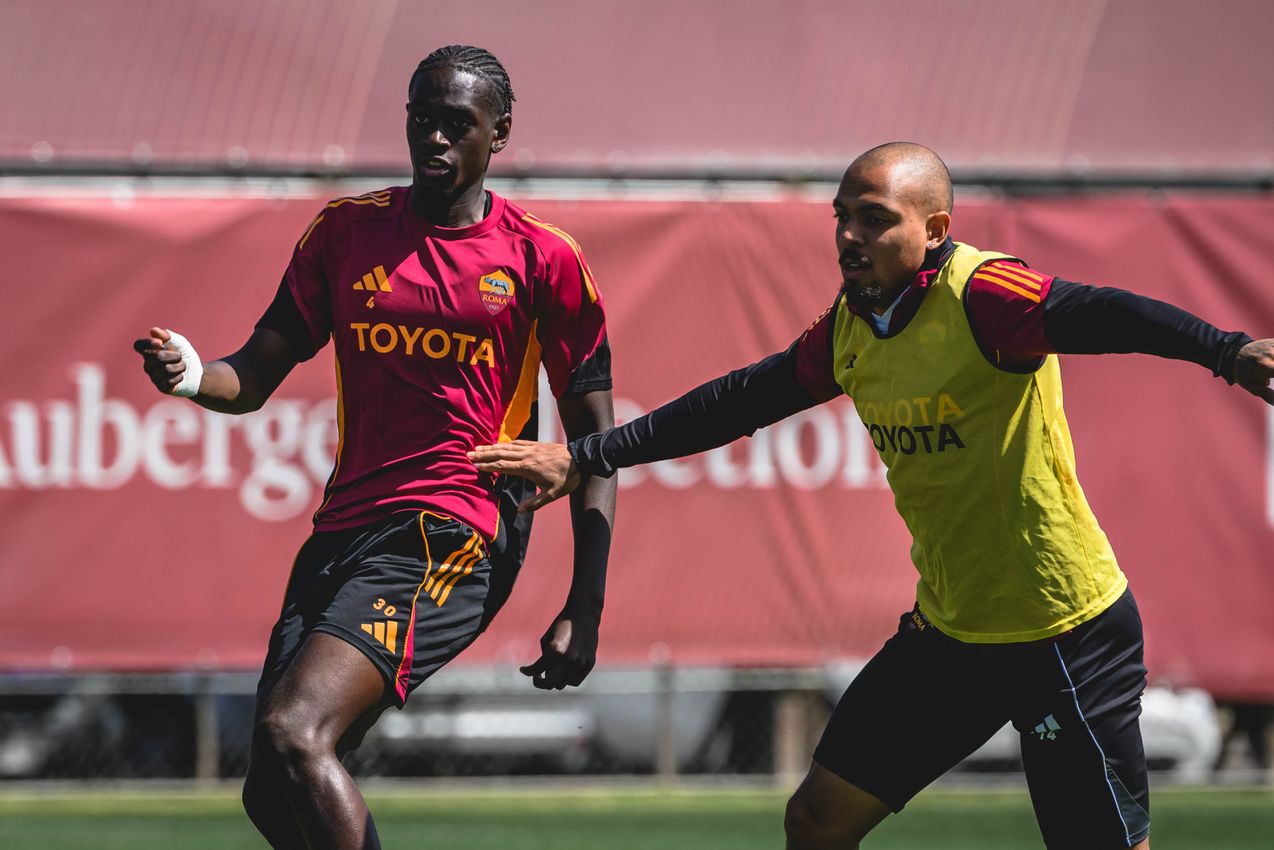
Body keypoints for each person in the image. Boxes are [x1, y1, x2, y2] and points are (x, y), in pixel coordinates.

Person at [470, 142, 1274, 850]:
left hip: (1063, 636)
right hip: (952, 640)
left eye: (876, 219)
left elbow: (1109, 313)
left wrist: (1226, 350)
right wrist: (586, 456)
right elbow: (740, 401)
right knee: (817, 822)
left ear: (935, 229)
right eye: (841, 216)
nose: (850, 236)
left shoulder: (985, 296)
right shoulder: (854, 327)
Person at [134, 45, 616, 850]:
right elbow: (252, 375)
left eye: (456, 124)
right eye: (420, 118)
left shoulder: (545, 258)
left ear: (499, 134)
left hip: (452, 528)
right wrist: (191, 375)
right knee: (271, 786)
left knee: (296, 731)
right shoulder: (346, 232)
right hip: (344, 529)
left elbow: (598, 441)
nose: (434, 138)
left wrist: (586, 606)